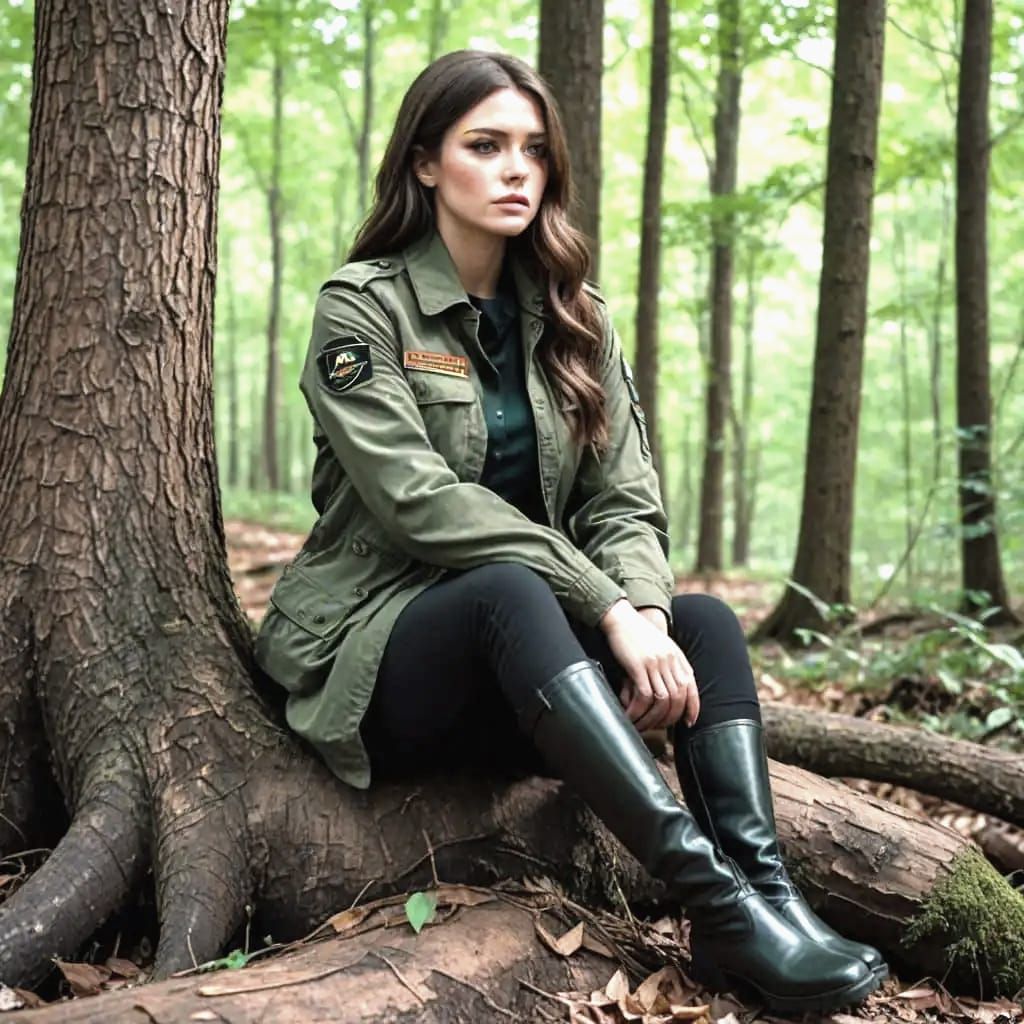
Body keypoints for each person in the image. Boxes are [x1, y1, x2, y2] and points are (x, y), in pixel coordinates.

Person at [254, 49, 887, 1015]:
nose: (516, 170)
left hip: (529, 672)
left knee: (705, 623)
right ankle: (710, 896)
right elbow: (419, 502)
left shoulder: (572, 315)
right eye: (486, 145)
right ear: (426, 163)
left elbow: (624, 500)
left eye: (534, 151)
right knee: (510, 590)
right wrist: (604, 606)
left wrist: (639, 606)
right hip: (379, 656)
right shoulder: (363, 305)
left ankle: (765, 907)